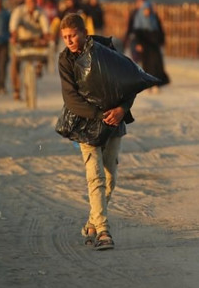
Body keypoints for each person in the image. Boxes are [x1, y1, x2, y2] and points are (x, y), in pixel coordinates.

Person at [58, 13, 136, 251]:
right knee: (96, 177)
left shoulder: (106, 48)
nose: (69, 41)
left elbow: (129, 80)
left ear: (83, 32)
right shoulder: (65, 60)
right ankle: (103, 231)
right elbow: (71, 100)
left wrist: (122, 109)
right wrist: (99, 115)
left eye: (72, 36)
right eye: (65, 37)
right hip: (87, 124)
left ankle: (92, 221)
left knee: (110, 177)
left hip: (115, 121)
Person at [9, 0, 50, 101]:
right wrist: (14, 37)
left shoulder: (40, 12)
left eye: (33, 1)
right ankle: (16, 90)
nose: (31, 4)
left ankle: (39, 68)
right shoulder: (19, 11)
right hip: (21, 39)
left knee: (46, 51)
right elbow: (14, 25)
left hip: (36, 40)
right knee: (15, 63)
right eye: (29, 2)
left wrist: (46, 37)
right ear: (25, 3)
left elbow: (45, 27)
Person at [132, 0, 170, 89]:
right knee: (148, 64)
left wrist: (161, 41)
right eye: (145, 10)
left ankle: (157, 82)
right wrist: (138, 44)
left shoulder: (154, 18)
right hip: (145, 44)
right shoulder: (139, 18)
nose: (147, 12)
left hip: (154, 44)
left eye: (148, 10)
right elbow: (137, 33)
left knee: (157, 62)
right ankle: (149, 82)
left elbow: (160, 31)